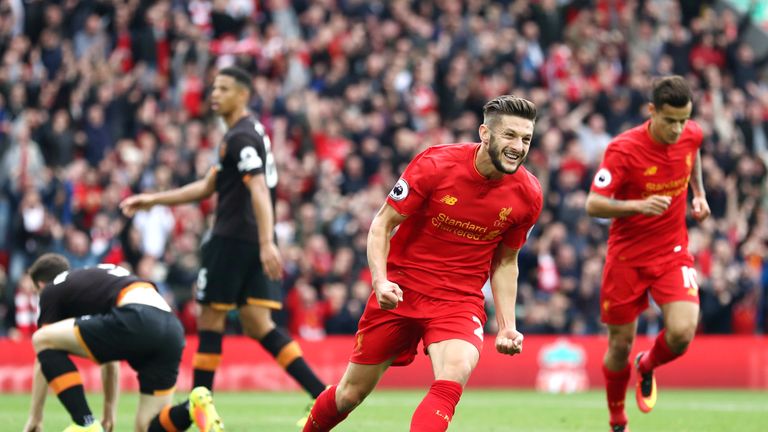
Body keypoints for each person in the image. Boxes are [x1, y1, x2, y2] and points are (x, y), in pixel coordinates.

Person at [303, 95, 543, 432]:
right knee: (349, 394)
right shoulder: (435, 164)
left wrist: (507, 325)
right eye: (510, 136)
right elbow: (382, 224)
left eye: (526, 139)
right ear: (485, 134)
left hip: (458, 301)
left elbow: (506, 262)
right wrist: (380, 281)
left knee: (454, 372)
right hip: (401, 290)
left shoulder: (528, 194)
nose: (518, 146)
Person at [119, 67, 326, 416]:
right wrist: (153, 199)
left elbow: (258, 187)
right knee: (259, 325)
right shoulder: (250, 132)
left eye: (224, 88)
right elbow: (207, 186)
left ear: (243, 94)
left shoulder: (240, 137)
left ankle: (201, 405)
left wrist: (266, 243)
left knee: (210, 320)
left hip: (232, 239)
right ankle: (321, 394)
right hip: (254, 238)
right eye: (214, 88)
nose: (214, 94)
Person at [585, 75, 710, 432]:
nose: (677, 129)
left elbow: (693, 152)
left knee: (683, 332)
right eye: (669, 120)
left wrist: (698, 194)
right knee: (619, 344)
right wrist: (638, 206)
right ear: (651, 111)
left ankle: (648, 364)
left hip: (672, 251)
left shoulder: (691, 133)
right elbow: (593, 204)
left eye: (683, 120)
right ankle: (617, 419)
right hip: (627, 258)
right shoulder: (624, 149)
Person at [22, 253, 223, 432]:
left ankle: (84, 422)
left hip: (137, 315)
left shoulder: (52, 290)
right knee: (147, 426)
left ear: (40, 284)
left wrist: (35, 416)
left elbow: (43, 352)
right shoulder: (91, 284)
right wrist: (109, 413)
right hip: (171, 327)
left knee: (41, 338)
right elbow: (108, 359)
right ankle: (192, 407)